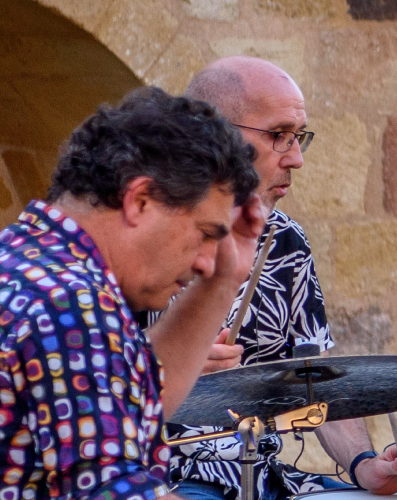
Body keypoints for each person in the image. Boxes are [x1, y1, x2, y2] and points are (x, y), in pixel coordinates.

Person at [158, 57, 397, 500]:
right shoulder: (142, 238)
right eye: (279, 136)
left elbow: (314, 377)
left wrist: (364, 467)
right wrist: (162, 365)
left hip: (265, 476)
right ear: (216, 133)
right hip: (167, 479)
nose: (298, 158)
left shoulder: (284, 240)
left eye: (298, 137)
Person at [0, 87, 265, 499]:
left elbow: (132, 415)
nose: (206, 262)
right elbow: (114, 489)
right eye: (205, 234)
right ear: (140, 200)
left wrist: (224, 282)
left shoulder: (26, 264)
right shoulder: (70, 305)